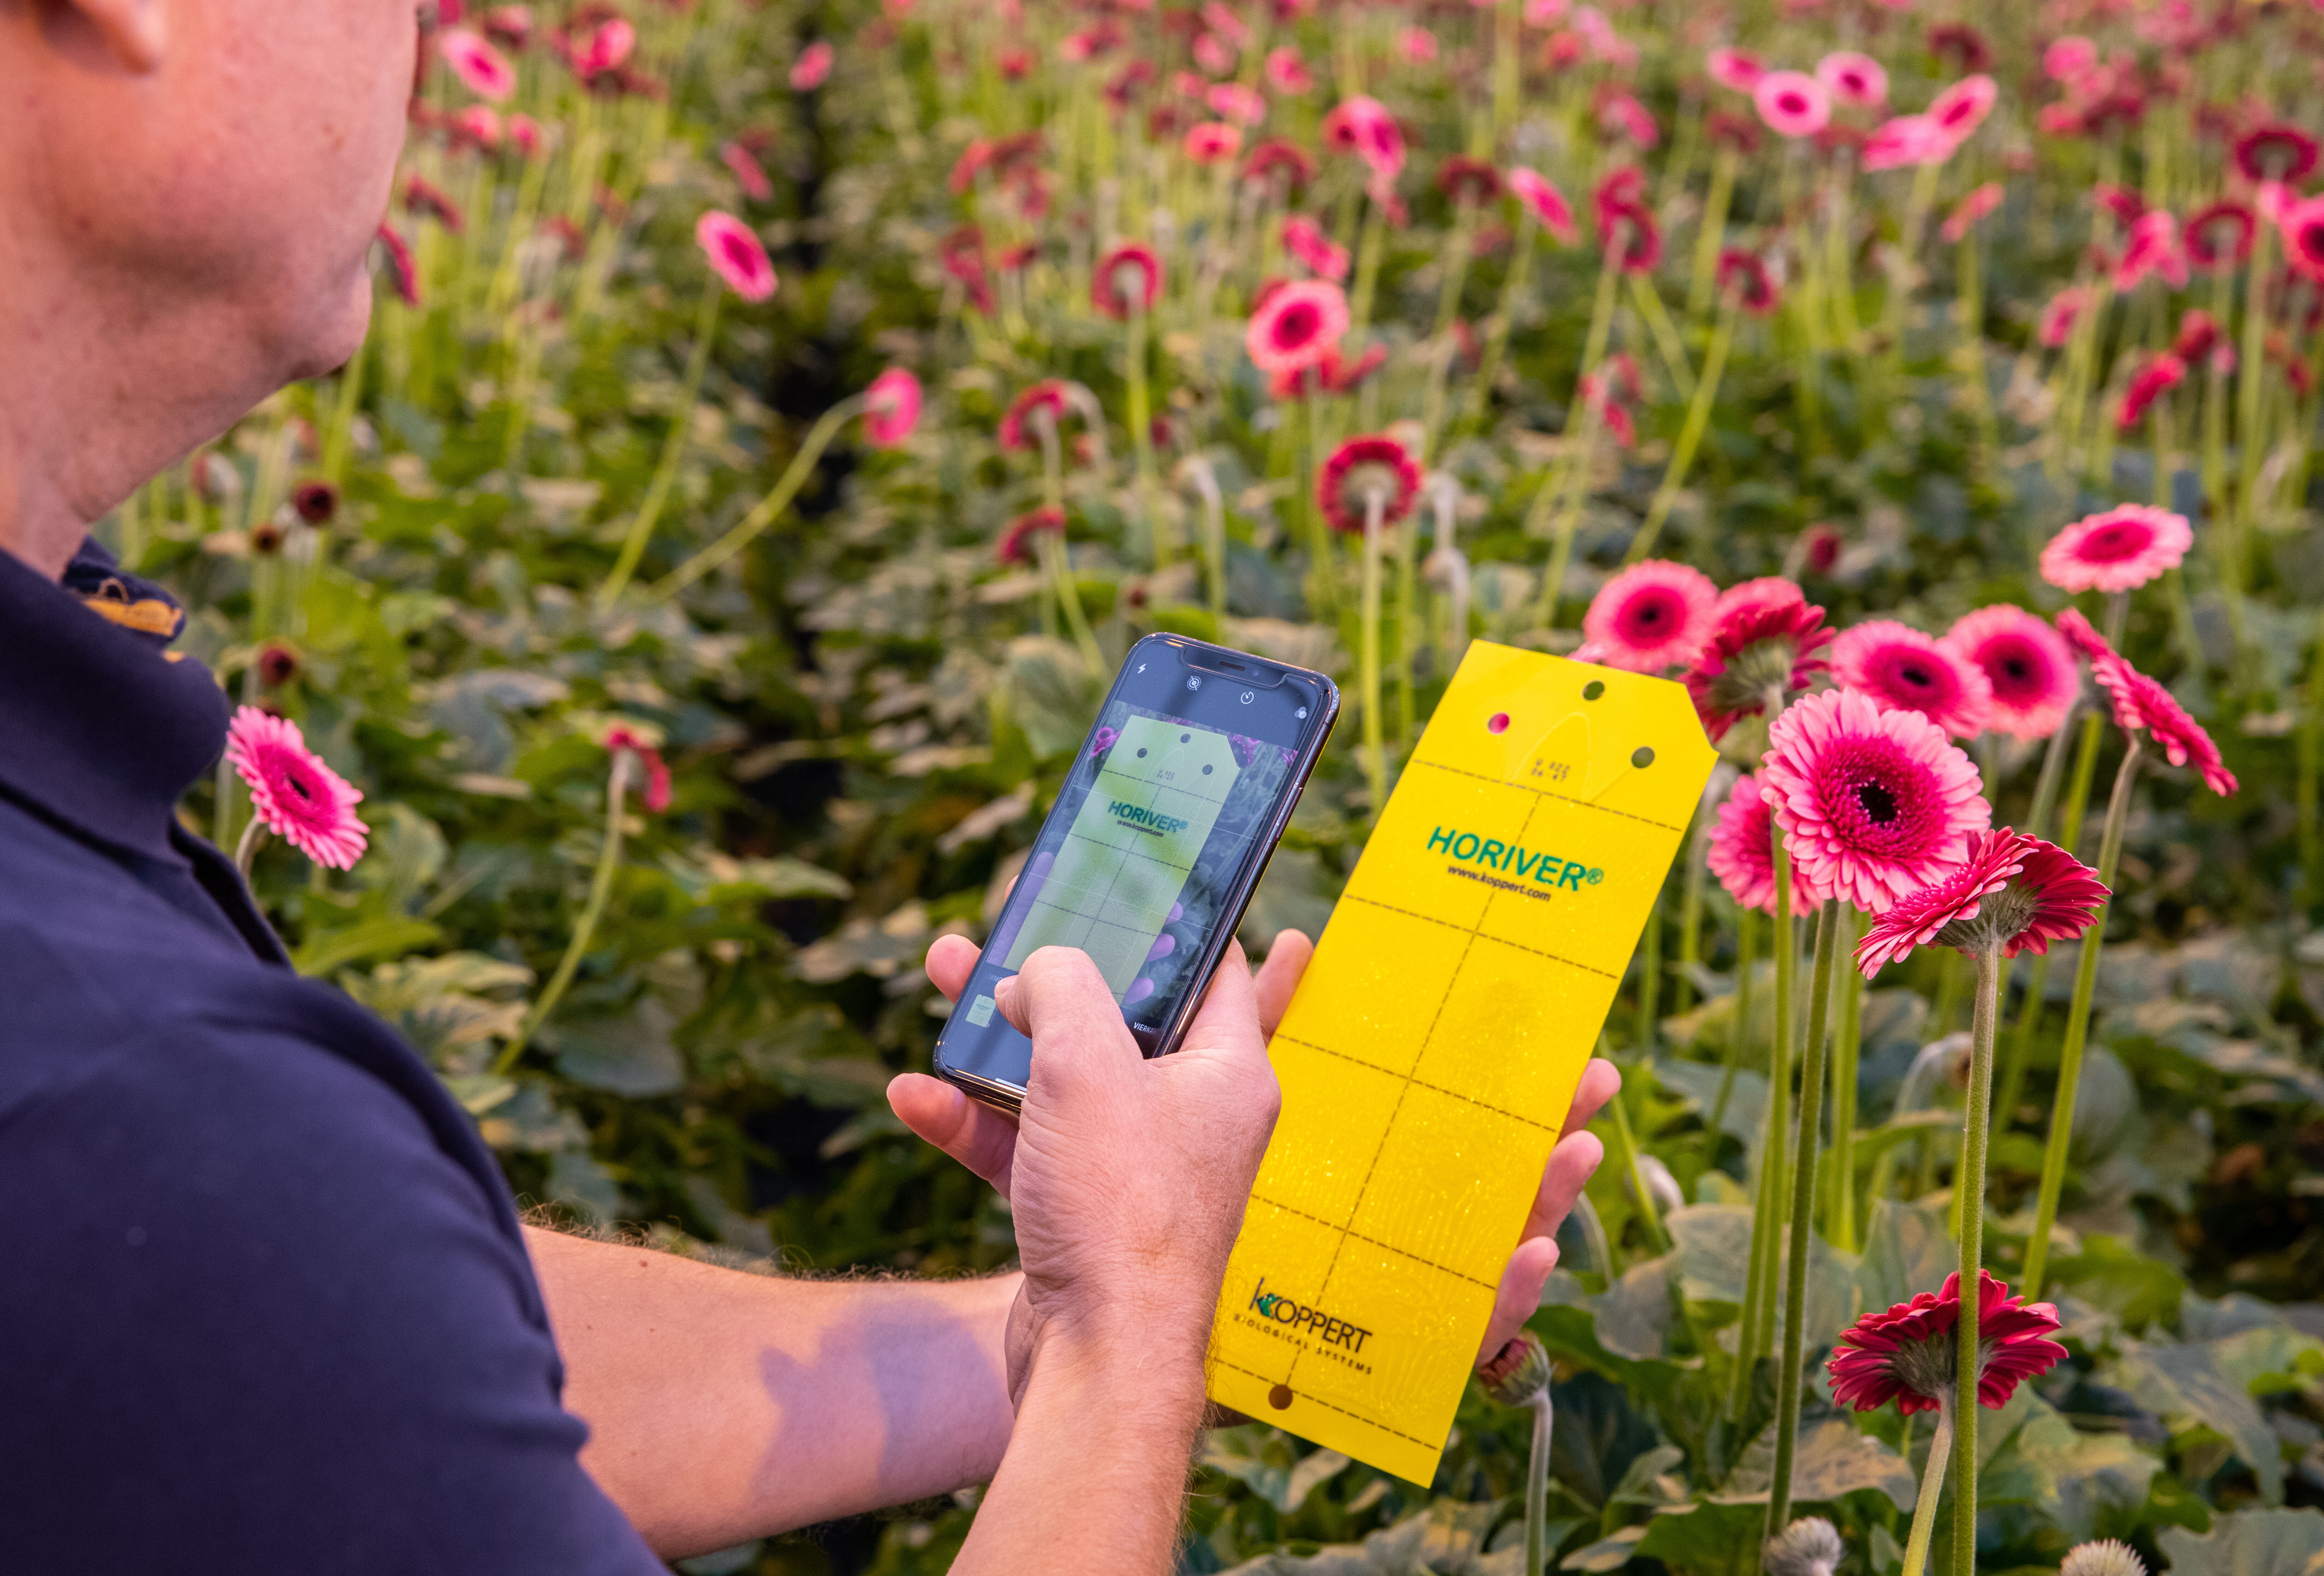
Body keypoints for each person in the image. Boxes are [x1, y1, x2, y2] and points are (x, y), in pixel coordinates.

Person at [0, 0, 1617, 1570]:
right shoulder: (131, 1107)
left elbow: (339, 1345)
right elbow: (231, 1237)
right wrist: (1138, 1337)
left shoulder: (157, 1155)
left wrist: (1081, 1309)